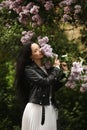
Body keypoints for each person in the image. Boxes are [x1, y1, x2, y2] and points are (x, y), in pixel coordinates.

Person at [15, 42, 68, 130]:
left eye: (39, 48)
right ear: (31, 56)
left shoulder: (46, 68)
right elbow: (44, 82)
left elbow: (54, 87)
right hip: (37, 108)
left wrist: (65, 73)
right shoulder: (29, 69)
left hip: (49, 107)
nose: (40, 51)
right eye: (35, 51)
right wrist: (56, 69)